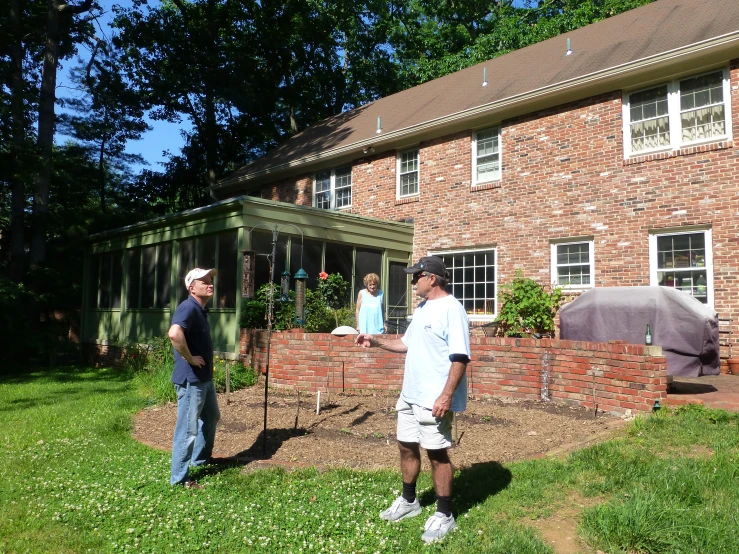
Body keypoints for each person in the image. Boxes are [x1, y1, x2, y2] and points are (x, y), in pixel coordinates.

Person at [355, 256, 470, 544]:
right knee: (406, 446)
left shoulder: (452, 309)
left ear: (432, 278)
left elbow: (460, 357)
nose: (412, 281)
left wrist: (446, 395)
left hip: (433, 398)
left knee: (436, 453)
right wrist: (376, 340)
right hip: (409, 395)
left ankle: (444, 514)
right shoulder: (421, 309)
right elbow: (407, 343)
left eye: (415, 275)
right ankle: (409, 501)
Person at [168, 267, 221, 488]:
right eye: (204, 281)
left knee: (211, 418)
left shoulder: (200, 309)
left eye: (211, 280)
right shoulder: (188, 307)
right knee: (187, 429)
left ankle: (200, 460)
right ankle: (179, 479)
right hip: (192, 380)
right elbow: (174, 334)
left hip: (203, 379)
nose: (210, 284)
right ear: (192, 288)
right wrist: (189, 358)